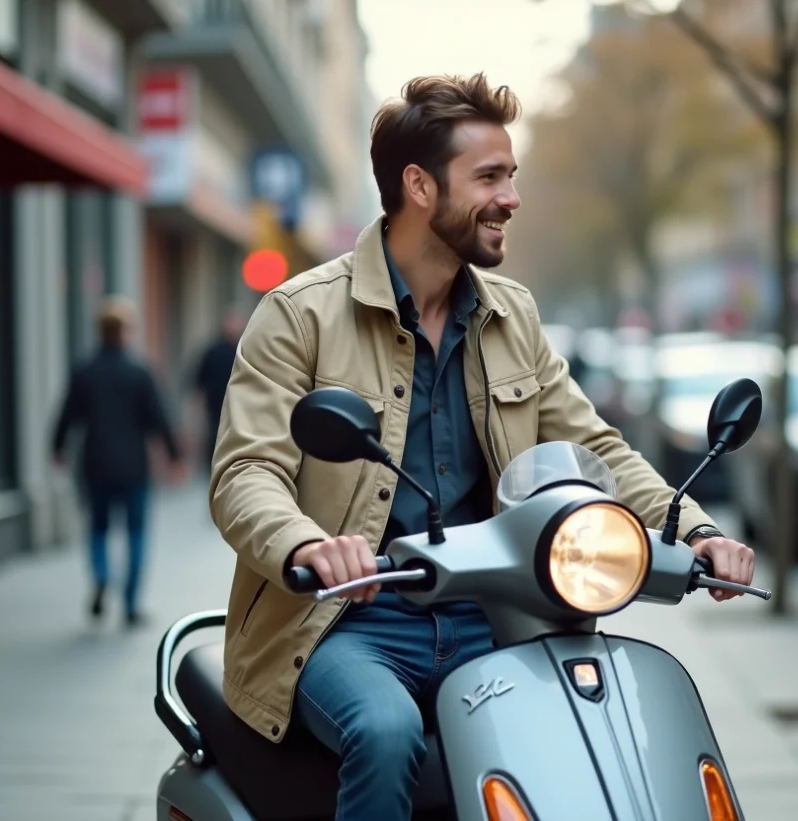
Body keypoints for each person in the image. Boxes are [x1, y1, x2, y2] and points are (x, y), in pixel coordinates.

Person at [209, 73, 757, 820]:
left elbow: (593, 441)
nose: (511, 197)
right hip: (346, 621)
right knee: (386, 728)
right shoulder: (299, 315)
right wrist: (308, 545)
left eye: (513, 175)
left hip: (493, 613)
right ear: (419, 187)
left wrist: (695, 527)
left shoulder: (511, 314)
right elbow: (246, 473)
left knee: (588, 731)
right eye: (489, 176)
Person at [52, 296, 185, 627]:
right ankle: (130, 604)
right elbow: (159, 418)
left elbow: (68, 414)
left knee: (97, 528)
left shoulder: (85, 371)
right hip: (133, 466)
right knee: (136, 532)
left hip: (95, 463)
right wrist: (174, 456)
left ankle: (101, 577)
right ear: (126, 331)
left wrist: (57, 447)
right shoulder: (139, 372)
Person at [192, 310, 245, 473]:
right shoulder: (213, 352)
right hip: (217, 411)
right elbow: (198, 383)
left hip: (240, 410)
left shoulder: (244, 350)